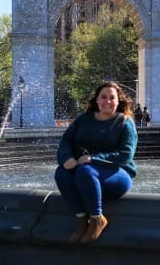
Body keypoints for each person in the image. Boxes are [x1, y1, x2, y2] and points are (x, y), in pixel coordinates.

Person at [55, 81, 138, 243]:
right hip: (84, 171)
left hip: (117, 174)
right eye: (103, 97)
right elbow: (66, 141)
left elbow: (126, 154)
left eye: (112, 98)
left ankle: (97, 218)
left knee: (85, 170)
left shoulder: (124, 122)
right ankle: (80, 218)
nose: (107, 101)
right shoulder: (83, 119)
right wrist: (66, 158)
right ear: (97, 100)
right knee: (62, 173)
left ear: (118, 101)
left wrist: (94, 159)